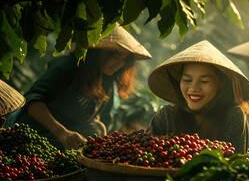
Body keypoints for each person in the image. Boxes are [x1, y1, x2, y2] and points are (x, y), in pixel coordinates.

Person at [15, 24, 152, 151]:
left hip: (67, 142)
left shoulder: (107, 81)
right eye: (116, 57)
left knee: (97, 127)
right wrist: (62, 132)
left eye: (124, 60)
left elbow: (100, 121)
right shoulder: (68, 66)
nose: (120, 64)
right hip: (36, 133)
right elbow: (32, 100)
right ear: (98, 53)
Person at [147, 40, 249, 154]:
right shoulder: (166, 116)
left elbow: (233, 164)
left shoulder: (233, 116)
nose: (193, 88)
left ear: (221, 84)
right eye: (187, 80)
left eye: (204, 81)